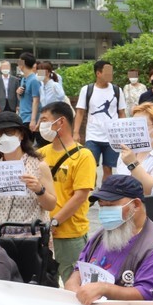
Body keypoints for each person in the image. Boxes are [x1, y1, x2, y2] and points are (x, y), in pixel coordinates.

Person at [65, 175, 153, 305]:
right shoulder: (102, 234)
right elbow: (79, 269)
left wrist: (105, 289)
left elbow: (149, 294)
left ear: (136, 205)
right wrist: (73, 289)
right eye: (102, 206)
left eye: (111, 206)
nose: (105, 212)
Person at [0, 111, 57, 234]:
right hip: (0, 236)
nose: (4, 138)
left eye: (9, 133)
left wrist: (39, 190)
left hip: (32, 238)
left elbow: (51, 205)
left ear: (21, 135)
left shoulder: (39, 166)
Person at [38, 101, 97, 284]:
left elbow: (80, 196)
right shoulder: (39, 154)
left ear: (60, 122)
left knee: (74, 284)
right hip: (42, 234)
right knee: (45, 283)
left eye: (45, 120)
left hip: (69, 233)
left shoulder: (83, 156)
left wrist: (55, 222)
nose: (41, 125)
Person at [74, 60, 126, 181]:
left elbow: (121, 113)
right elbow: (80, 112)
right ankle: (91, 195)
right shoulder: (87, 90)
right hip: (93, 135)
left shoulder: (117, 90)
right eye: (107, 72)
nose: (110, 75)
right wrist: (76, 132)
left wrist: (124, 133)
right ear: (98, 73)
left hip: (112, 137)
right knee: (90, 166)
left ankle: (105, 196)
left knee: (108, 169)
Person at [15, 52, 40, 133]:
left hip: (29, 118)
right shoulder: (23, 79)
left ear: (23, 63)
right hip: (22, 116)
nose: (18, 64)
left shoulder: (34, 80)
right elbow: (22, 98)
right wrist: (18, 93)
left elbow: (36, 101)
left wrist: (33, 120)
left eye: (19, 61)